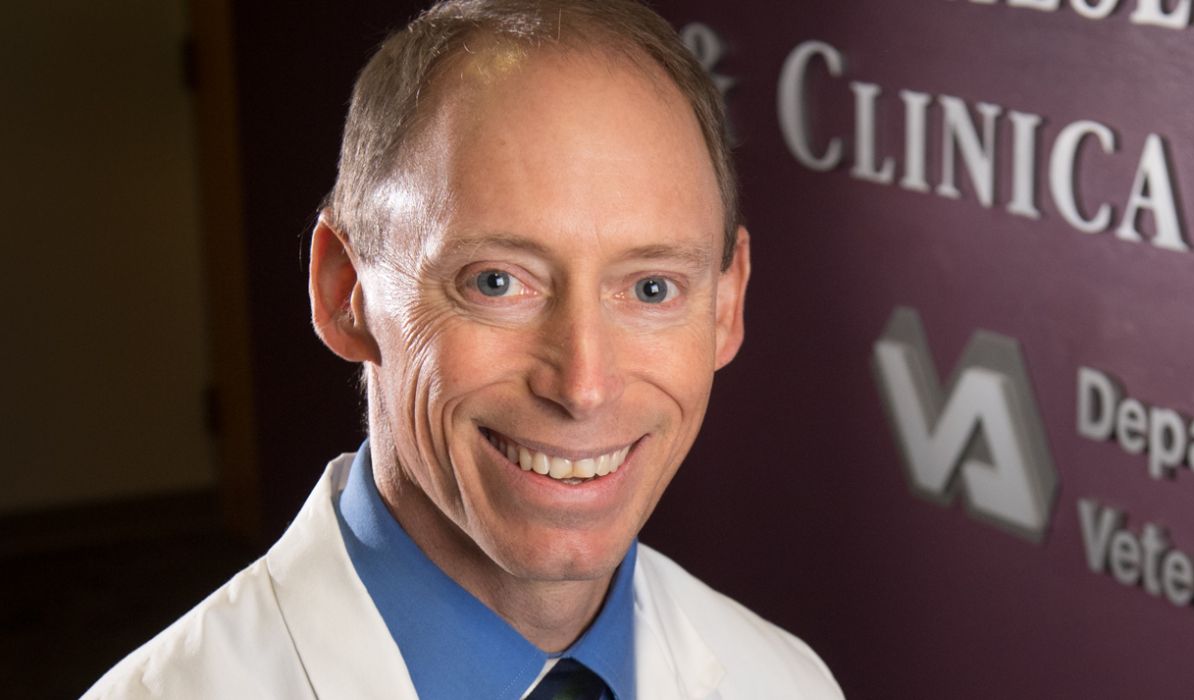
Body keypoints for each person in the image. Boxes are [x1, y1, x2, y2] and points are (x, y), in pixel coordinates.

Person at [86, 1, 841, 697]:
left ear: (726, 306)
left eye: (651, 288)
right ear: (344, 291)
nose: (584, 386)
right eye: (496, 282)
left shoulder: (787, 682)